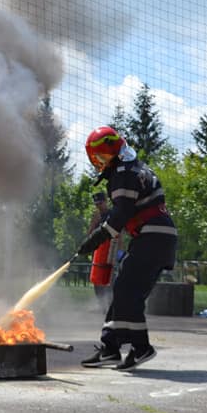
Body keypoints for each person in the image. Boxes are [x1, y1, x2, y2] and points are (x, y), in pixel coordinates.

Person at [75, 126, 178, 370]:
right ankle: (110, 348)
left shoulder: (123, 173)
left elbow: (121, 214)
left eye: (101, 157)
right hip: (154, 237)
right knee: (124, 290)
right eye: (95, 159)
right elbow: (124, 212)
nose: (99, 163)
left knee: (128, 292)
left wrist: (96, 238)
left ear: (113, 151)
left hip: (152, 237)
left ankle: (141, 347)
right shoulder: (133, 168)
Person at [87, 191, 117, 314]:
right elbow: (89, 235)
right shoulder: (96, 216)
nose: (98, 206)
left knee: (109, 278)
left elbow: (118, 234)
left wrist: (118, 251)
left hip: (110, 251)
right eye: (96, 204)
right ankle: (101, 304)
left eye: (100, 203)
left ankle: (111, 304)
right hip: (98, 252)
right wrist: (93, 223)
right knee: (96, 279)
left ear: (106, 202)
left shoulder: (112, 215)